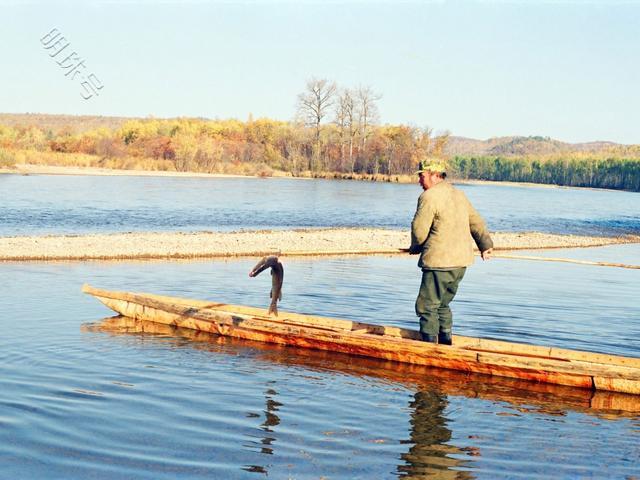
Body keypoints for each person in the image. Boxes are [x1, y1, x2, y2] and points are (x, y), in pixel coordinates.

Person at [409, 158, 493, 345]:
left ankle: (429, 349)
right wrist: (485, 245)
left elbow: (419, 229)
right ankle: (446, 344)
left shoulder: (429, 197)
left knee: (426, 306)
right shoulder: (459, 194)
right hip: (460, 263)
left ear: (434, 175)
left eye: (422, 176)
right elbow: (476, 222)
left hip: (439, 262)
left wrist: (415, 247)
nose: (419, 181)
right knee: (443, 305)